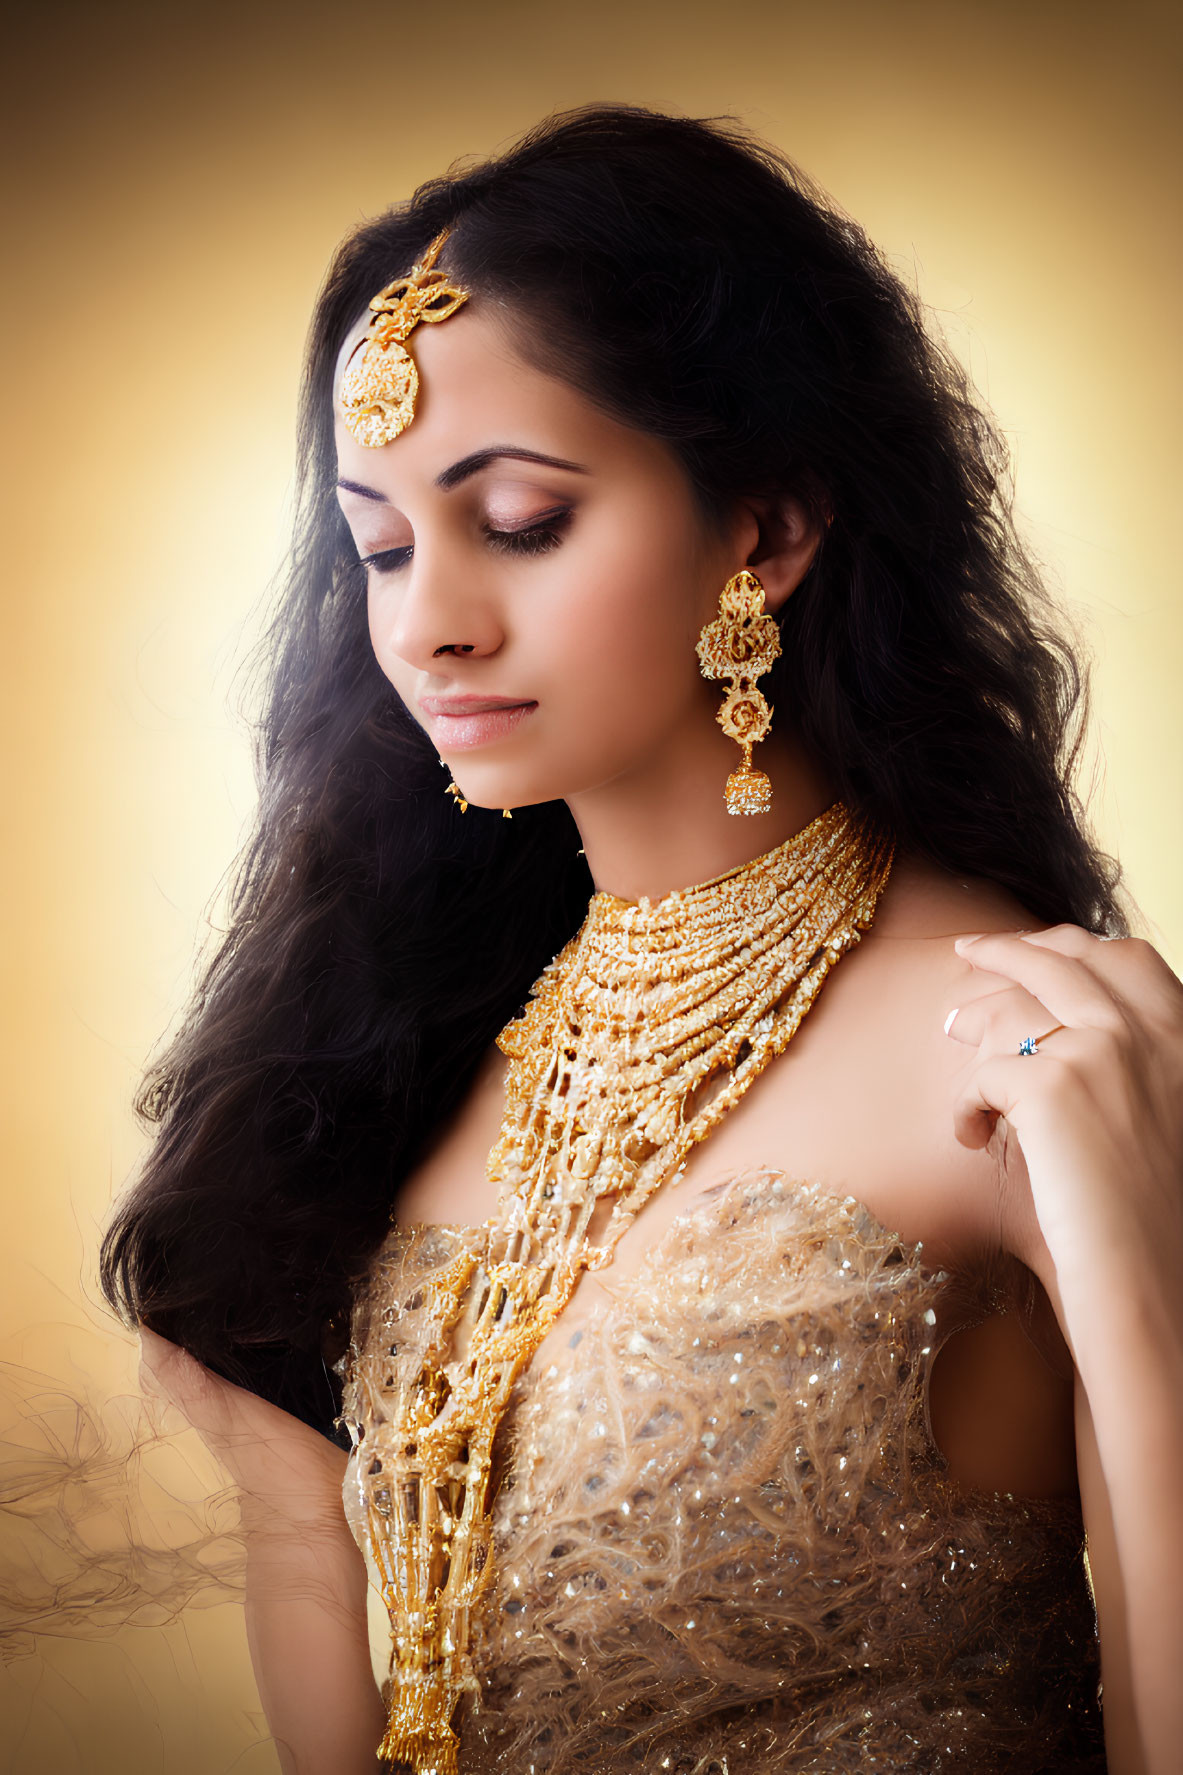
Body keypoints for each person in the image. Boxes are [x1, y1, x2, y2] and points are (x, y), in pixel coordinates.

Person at [105, 105, 1183, 1774]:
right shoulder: (438, 1051)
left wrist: (1142, 1283)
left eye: (520, 520)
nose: (424, 622)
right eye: (377, 545)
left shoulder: (1024, 1053)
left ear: (766, 535)